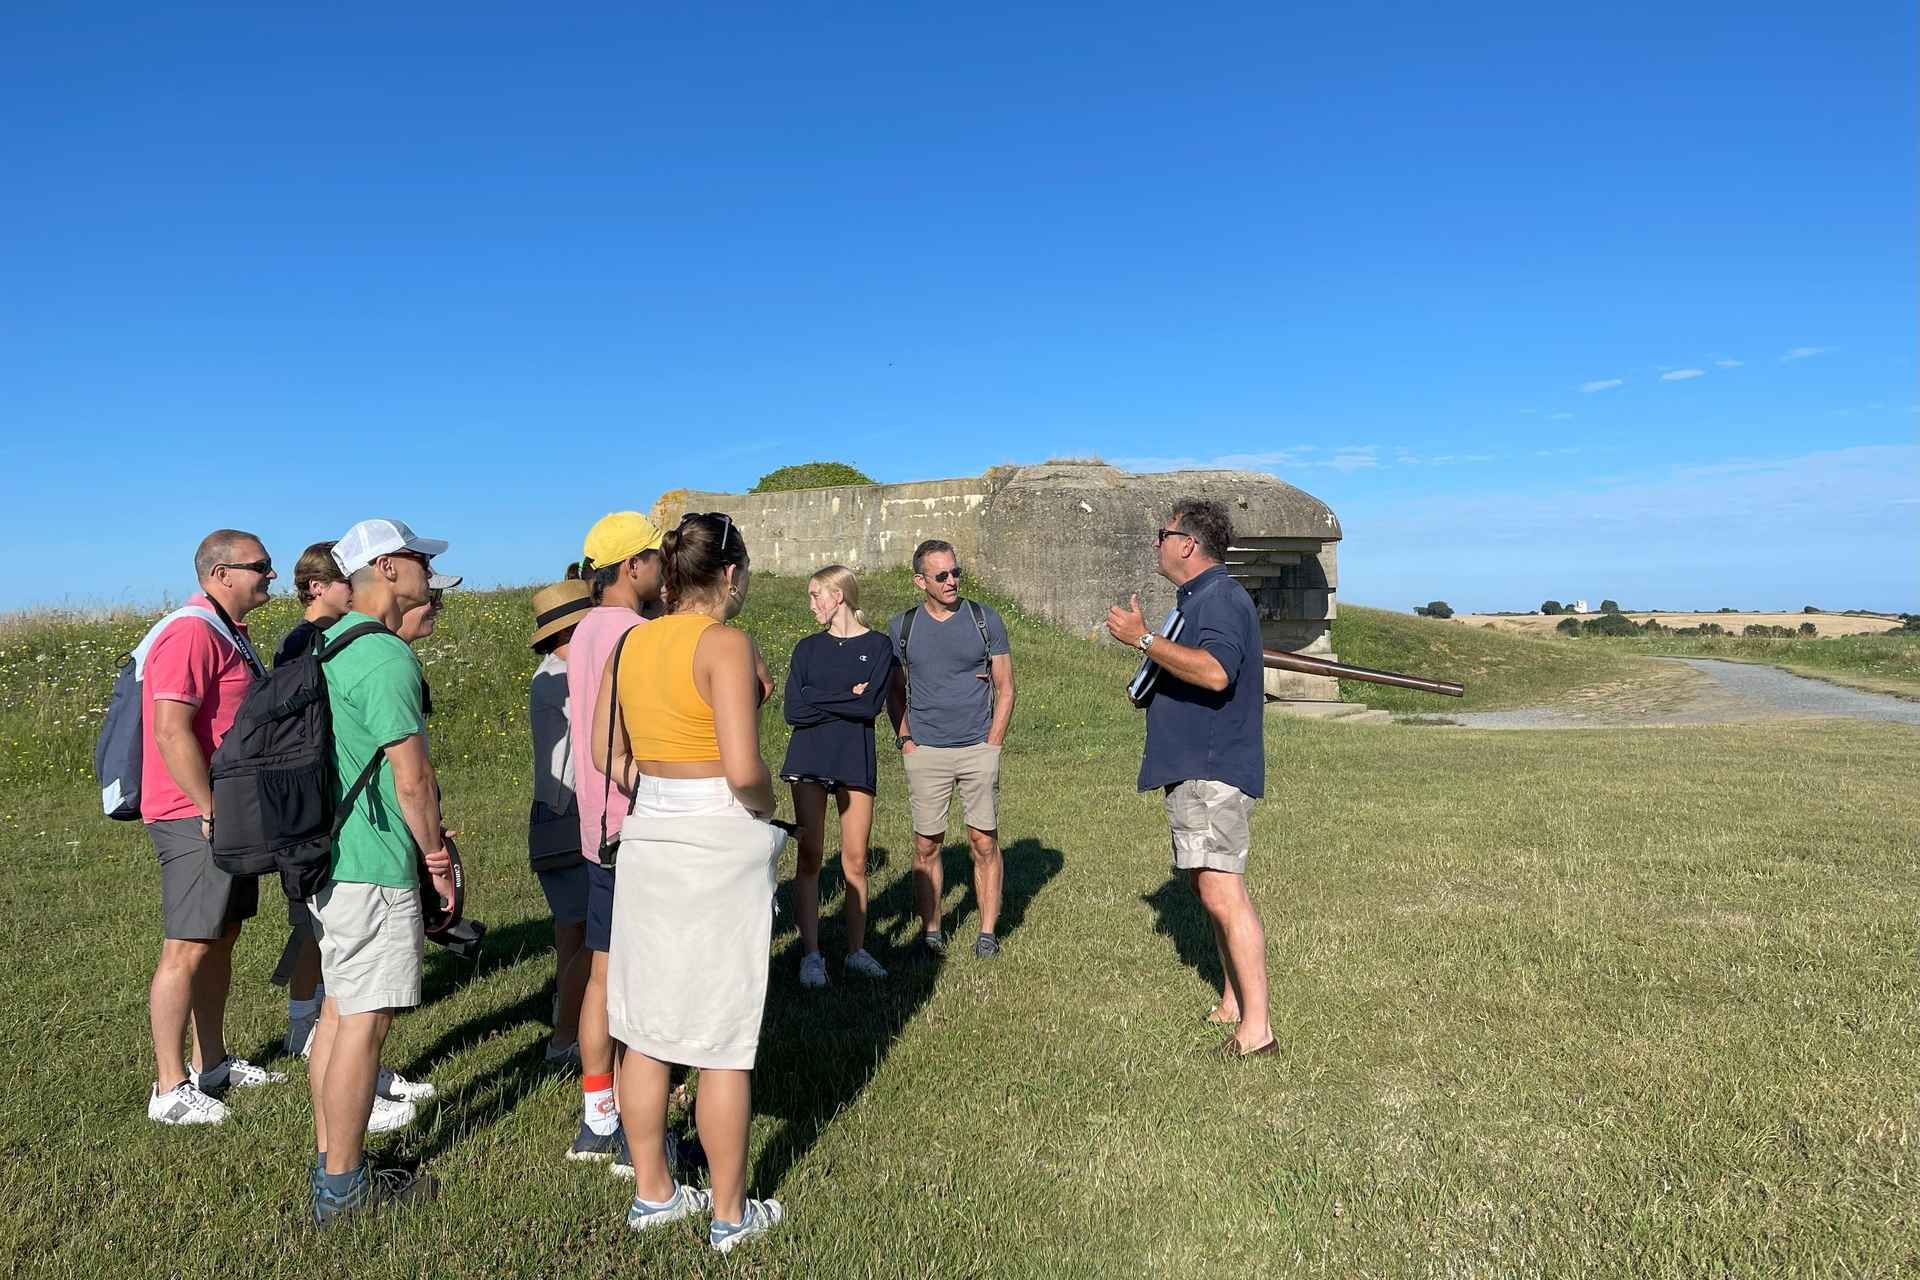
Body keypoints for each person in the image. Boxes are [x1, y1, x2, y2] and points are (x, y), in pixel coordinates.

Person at [594, 510, 785, 1252]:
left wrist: (661, 786)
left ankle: (654, 1193)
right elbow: (744, 769)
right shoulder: (727, 644)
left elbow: (611, 753)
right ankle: (731, 1214)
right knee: (722, 1036)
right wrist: (768, 814)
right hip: (716, 831)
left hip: (650, 830)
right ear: (730, 574)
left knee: (644, 1027)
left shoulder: (632, 643)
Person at [306, 518, 456, 1223]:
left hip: (327, 857)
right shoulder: (387, 658)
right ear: (390, 568)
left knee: (338, 1017)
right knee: (364, 1025)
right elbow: (413, 779)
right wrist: (437, 859)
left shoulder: (328, 641)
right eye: (421, 559)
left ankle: (329, 1162)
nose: (429, 571)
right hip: (372, 862)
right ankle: (344, 1187)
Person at [1104, 499, 1275, 1057]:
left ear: (1186, 544)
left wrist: (1143, 639)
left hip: (1212, 766)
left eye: (1163, 534)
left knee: (1224, 889)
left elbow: (1217, 671)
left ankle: (1258, 1032)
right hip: (1195, 766)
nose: (1157, 542)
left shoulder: (1220, 599)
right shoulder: (1200, 599)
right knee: (1209, 887)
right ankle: (1233, 1001)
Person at [143, 529, 288, 1124]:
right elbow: (171, 729)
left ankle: (213, 1062)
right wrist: (206, 805)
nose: (271, 576)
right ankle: (169, 1088)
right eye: (260, 566)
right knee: (188, 943)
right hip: (194, 814)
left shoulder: (230, 632)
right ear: (220, 572)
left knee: (222, 936)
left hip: (228, 812)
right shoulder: (190, 632)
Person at [562, 511, 667, 1171]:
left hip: (595, 827)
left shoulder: (583, 632)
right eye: (655, 558)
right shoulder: (636, 634)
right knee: (646, 983)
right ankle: (640, 1126)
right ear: (634, 566)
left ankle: (596, 1115)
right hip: (639, 824)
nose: (662, 569)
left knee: (602, 974)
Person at [885, 539, 1015, 960]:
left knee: (983, 842)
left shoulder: (984, 619)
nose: (952, 581)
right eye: (941, 575)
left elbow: (1006, 688)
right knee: (927, 844)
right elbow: (894, 691)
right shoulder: (902, 627)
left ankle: (987, 933)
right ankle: (932, 930)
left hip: (977, 747)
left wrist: (992, 744)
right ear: (920, 580)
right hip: (926, 751)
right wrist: (906, 740)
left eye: (955, 572)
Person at [779, 565, 895, 986]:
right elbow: (794, 710)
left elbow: (870, 709)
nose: (811, 605)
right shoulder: (806, 649)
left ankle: (856, 950)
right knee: (809, 857)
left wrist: (819, 698)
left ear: (838, 596)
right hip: (808, 756)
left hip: (853, 758)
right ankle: (811, 955)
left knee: (856, 860)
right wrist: (847, 695)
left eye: (816, 596)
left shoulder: (880, 646)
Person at [528, 578, 596, 1067]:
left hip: (557, 812)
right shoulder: (564, 679)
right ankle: (567, 1035)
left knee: (572, 927)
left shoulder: (552, 673)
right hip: (569, 811)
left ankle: (565, 1014)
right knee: (596, 933)